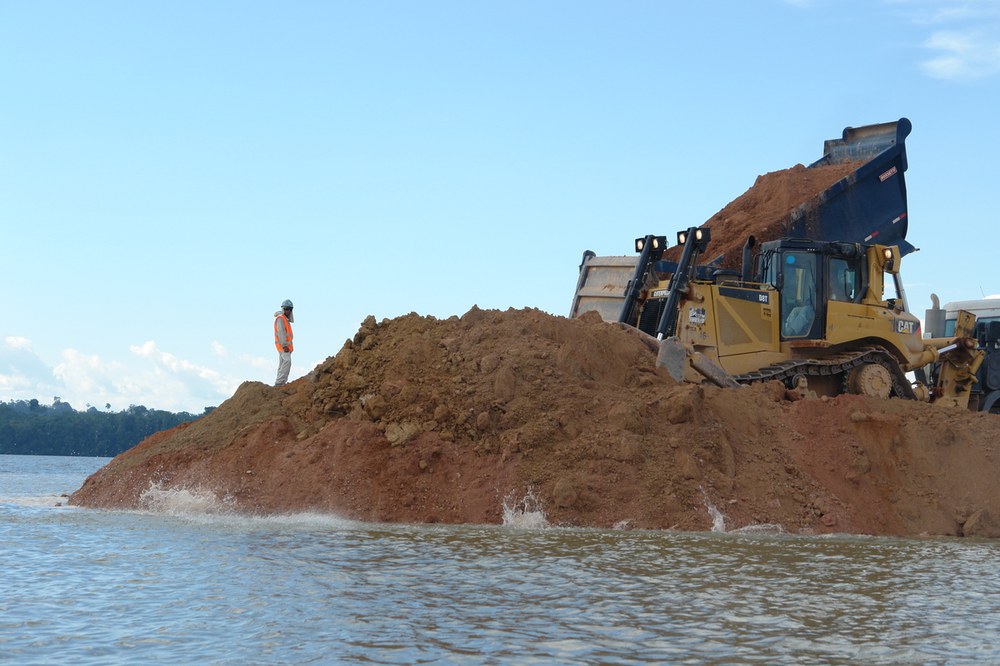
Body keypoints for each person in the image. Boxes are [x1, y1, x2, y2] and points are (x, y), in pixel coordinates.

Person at [274, 299, 294, 386]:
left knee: (282, 364)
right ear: (283, 309)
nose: (288, 311)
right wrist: (284, 345)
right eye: (286, 309)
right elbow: (281, 332)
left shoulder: (285, 319)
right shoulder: (281, 319)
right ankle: (280, 382)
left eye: (290, 309)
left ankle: (279, 382)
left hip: (284, 347)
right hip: (283, 347)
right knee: (287, 362)